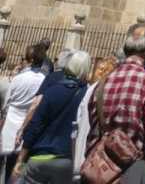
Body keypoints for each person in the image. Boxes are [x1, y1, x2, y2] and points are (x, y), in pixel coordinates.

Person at [84, 22, 145, 184]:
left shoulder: (101, 84)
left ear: (125, 49)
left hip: (95, 171)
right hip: (129, 172)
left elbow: (93, 123)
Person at [10, 50, 90, 184]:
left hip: (40, 156)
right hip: (66, 159)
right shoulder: (86, 94)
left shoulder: (53, 90)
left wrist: (21, 158)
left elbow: (36, 124)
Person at [1, 48, 46, 184]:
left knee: (5, 158)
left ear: (30, 60)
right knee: (19, 162)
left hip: (11, 121)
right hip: (28, 122)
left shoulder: (19, 78)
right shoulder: (44, 79)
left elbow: (7, 102)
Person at [73, 59, 116, 179]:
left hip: (81, 146)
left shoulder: (91, 89)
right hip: (92, 151)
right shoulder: (104, 90)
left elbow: (78, 118)